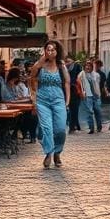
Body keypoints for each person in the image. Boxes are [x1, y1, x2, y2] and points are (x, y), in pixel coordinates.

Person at [28, 39, 69, 168]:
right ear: (45, 51)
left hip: (58, 100)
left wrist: (67, 101)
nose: (50, 52)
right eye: (48, 49)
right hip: (43, 101)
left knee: (61, 129)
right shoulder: (39, 64)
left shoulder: (61, 65)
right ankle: (49, 153)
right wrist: (34, 99)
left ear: (57, 52)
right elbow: (32, 78)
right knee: (47, 129)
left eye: (53, 49)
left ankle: (58, 152)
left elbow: (67, 82)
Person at [3, 66, 37, 143]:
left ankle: (32, 136)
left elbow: (17, 97)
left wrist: (26, 99)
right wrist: (24, 100)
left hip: (15, 105)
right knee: (28, 116)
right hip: (10, 107)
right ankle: (27, 135)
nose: (21, 76)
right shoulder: (6, 86)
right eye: (20, 74)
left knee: (32, 115)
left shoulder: (14, 85)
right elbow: (9, 100)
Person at [78, 59, 103, 133]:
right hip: (88, 96)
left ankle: (99, 127)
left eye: (89, 66)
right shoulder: (81, 74)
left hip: (96, 95)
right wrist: (82, 92)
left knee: (98, 111)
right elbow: (78, 83)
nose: (87, 67)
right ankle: (91, 128)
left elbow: (96, 83)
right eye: (86, 66)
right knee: (89, 112)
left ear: (92, 67)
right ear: (84, 67)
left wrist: (90, 75)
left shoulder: (96, 75)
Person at [65, 55, 83, 133]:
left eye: (69, 61)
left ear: (72, 61)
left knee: (74, 109)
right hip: (67, 90)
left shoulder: (77, 66)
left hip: (75, 90)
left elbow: (80, 78)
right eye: (66, 61)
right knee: (71, 110)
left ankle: (72, 126)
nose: (67, 63)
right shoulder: (64, 68)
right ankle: (75, 126)